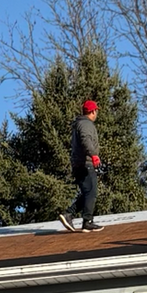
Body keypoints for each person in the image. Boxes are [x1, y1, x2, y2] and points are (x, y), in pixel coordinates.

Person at [67, 97, 101, 231]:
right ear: (92, 112)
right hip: (85, 162)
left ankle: (69, 214)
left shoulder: (79, 124)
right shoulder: (86, 125)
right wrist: (93, 155)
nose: (96, 114)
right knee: (91, 192)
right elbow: (86, 140)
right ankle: (87, 221)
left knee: (88, 192)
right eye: (96, 111)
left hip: (79, 162)